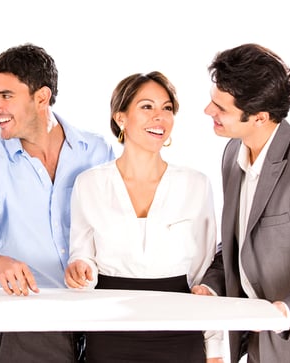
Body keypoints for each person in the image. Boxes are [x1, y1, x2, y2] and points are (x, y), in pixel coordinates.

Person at [192, 43, 290, 363]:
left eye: (220, 108)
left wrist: (285, 312)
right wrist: (210, 285)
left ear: (260, 117)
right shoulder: (231, 155)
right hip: (255, 343)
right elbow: (240, 242)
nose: (208, 112)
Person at [0, 43, 115, 362]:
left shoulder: (96, 151)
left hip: (100, 318)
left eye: (6, 96)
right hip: (26, 326)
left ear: (41, 97)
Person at [64, 71, 224, 363]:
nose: (159, 118)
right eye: (147, 107)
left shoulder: (196, 184)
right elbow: (82, 256)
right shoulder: (89, 183)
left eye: (167, 108)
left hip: (180, 327)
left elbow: (205, 271)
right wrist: (79, 270)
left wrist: (214, 349)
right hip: (109, 329)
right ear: (121, 118)